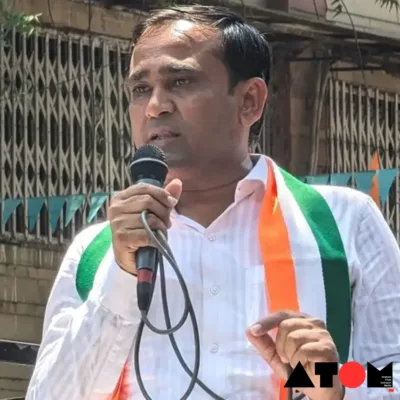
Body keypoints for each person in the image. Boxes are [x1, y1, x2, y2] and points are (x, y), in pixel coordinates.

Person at [26, 5, 400, 400]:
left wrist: (331, 382)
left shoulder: (342, 222)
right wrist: (119, 278)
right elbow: (48, 394)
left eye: (181, 81)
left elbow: (390, 374)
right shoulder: (97, 252)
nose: (155, 106)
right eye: (140, 90)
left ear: (250, 101)